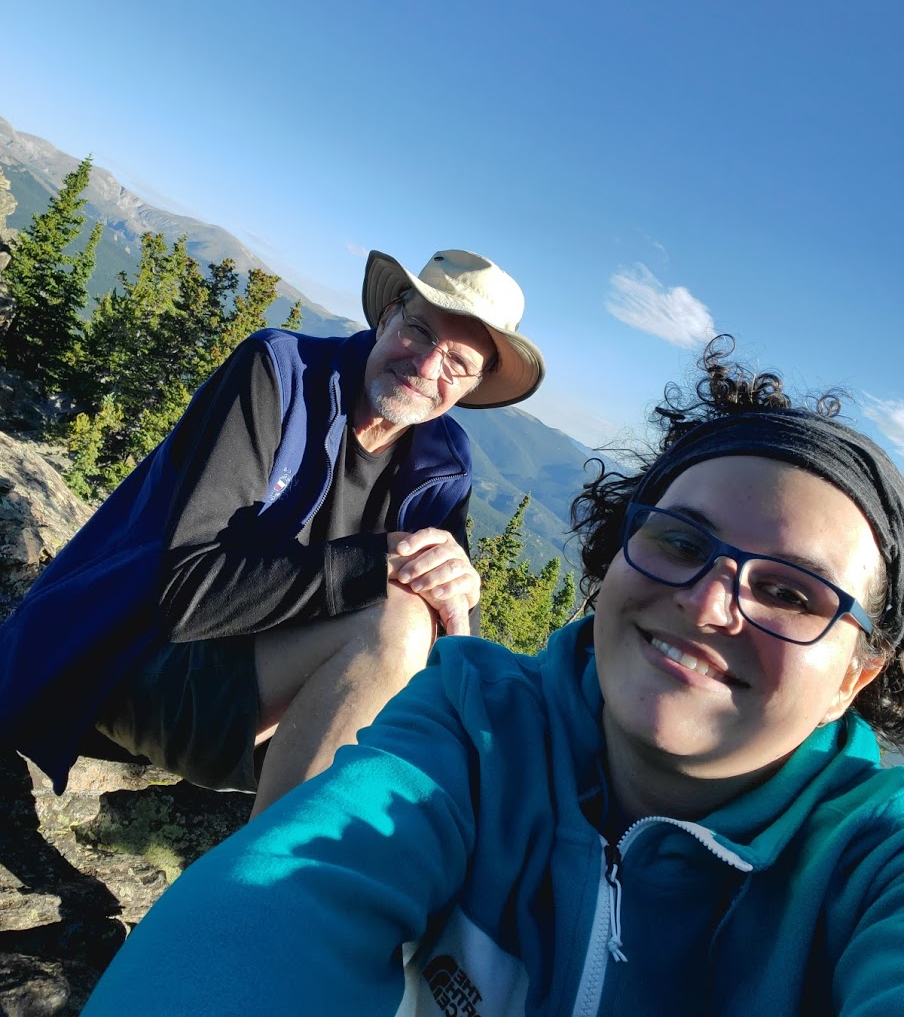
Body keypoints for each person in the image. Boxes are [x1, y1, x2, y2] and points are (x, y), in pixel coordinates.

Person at [83, 339, 904, 1015]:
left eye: (792, 593)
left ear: (857, 676)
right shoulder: (472, 725)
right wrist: (377, 569)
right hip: (149, 674)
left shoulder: (870, 863)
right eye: (682, 541)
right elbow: (278, 903)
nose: (710, 603)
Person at [0, 248, 544, 814]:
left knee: (426, 619)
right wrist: (369, 563)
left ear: (472, 386)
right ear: (386, 316)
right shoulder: (279, 375)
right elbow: (187, 595)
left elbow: (449, 644)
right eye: (418, 331)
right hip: (137, 663)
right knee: (399, 614)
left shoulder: (442, 461)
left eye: (457, 363)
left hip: (267, 708)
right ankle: (264, 891)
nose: (427, 367)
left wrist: (462, 602)